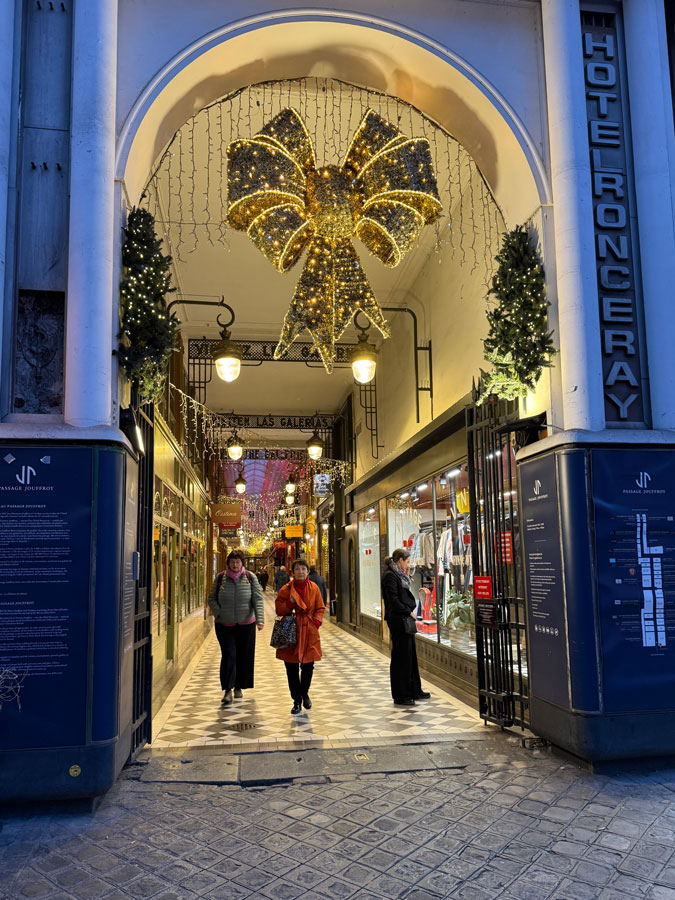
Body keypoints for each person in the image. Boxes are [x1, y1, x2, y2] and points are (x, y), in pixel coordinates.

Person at [208, 550, 264, 706]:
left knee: (243, 655)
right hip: (224, 624)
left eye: (238, 561)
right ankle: (227, 689)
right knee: (229, 655)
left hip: (246, 624)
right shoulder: (221, 578)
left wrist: (260, 620)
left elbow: (257, 599)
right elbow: (211, 598)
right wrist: (218, 613)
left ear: (242, 563)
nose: (235, 564)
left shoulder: (250, 577)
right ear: (228, 563)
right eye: (232, 561)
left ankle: (239, 686)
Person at [381, 549, 431, 706]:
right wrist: (409, 612)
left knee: (410, 656)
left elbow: (403, 593)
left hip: (404, 619)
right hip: (398, 619)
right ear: (400, 560)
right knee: (401, 657)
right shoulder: (390, 575)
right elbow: (393, 600)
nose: (409, 565)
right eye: (407, 562)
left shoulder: (399, 574)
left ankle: (414, 689)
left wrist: (407, 575)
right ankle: (401, 695)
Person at [275, 558, 325, 715]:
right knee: (291, 668)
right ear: (293, 572)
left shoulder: (314, 588)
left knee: (308, 666)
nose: (300, 572)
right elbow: (279, 609)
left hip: (309, 630)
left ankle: (304, 694)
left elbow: (320, 607)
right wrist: (290, 603)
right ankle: (296, 700)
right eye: (297, 569)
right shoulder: (286, 589)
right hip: (291, 631)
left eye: (303, 569)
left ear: (308, 571)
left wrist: (316, 622)